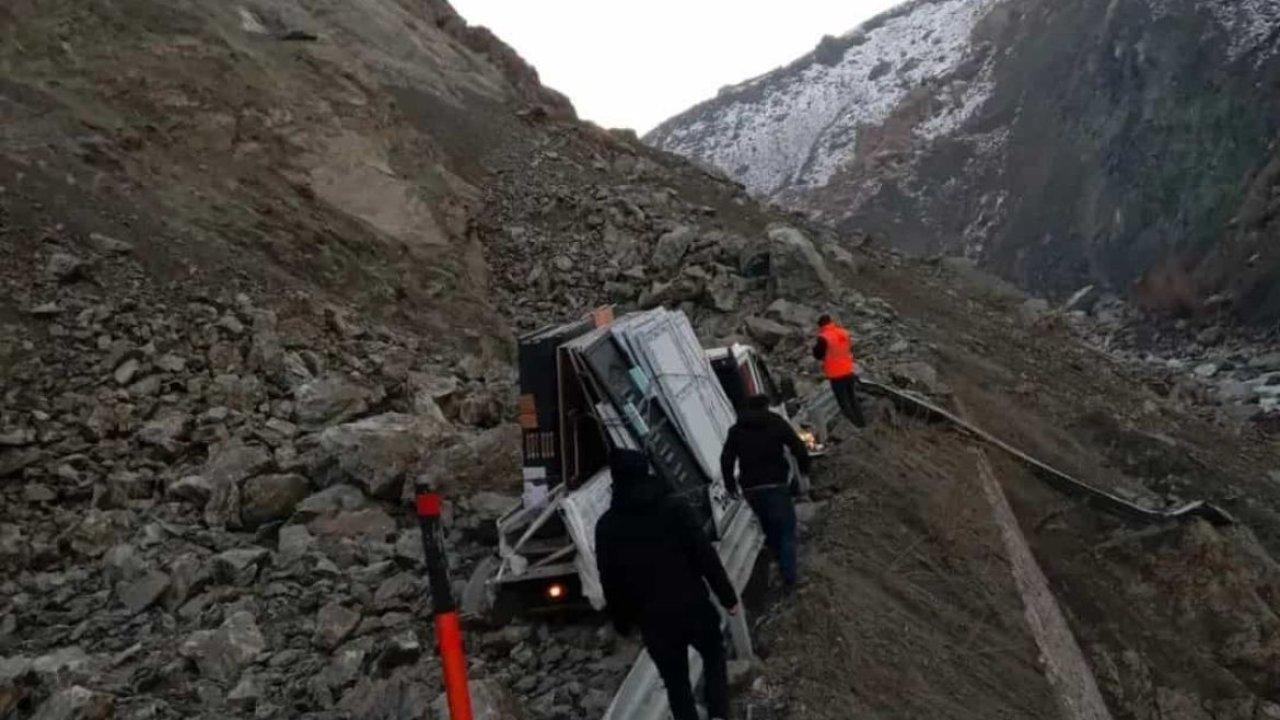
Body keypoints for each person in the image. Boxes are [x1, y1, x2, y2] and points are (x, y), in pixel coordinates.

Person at [596, 449, 738, 720]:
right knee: (713, 654)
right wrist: (728, 597)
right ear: (646, 472)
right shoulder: (673, 508)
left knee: (676, 684)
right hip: (693, 605)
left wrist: (623, 623)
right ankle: (719, 713)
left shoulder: (607, 527)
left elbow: (610, 581)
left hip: (653, 621)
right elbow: (704, 555)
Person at [720, 394, 811, 588]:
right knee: (786, 529)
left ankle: (780, 567)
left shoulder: (736, 430)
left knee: (769, 530)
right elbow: (797, 446)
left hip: (751, 488)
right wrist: (804, 470)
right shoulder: (774, 422)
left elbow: (726, 459)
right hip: (775, 483)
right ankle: (790, 577)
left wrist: (730, 485)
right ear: (766, 406)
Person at [813, 313, 866, 427]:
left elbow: (817, 354)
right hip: (848, 371)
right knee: (853, 399)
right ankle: (862, 424)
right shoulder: (844, 333)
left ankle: (852, 428)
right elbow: (848, 348)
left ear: (821, 325)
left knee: (844, 403)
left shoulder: (824, 337)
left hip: (836, 375)